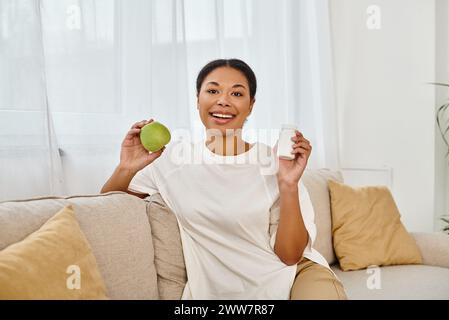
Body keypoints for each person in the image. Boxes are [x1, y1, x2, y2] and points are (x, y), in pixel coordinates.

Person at [101, 58, 347, 300]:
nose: (223, 100)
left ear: (251, 105)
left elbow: (291, 256)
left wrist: (288, 184)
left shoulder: (275, 162)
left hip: (295, 277)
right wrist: (126, 167)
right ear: (197, 99)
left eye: (237, 94)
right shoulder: (172, 159)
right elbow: (110, 206)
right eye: (213, 90)